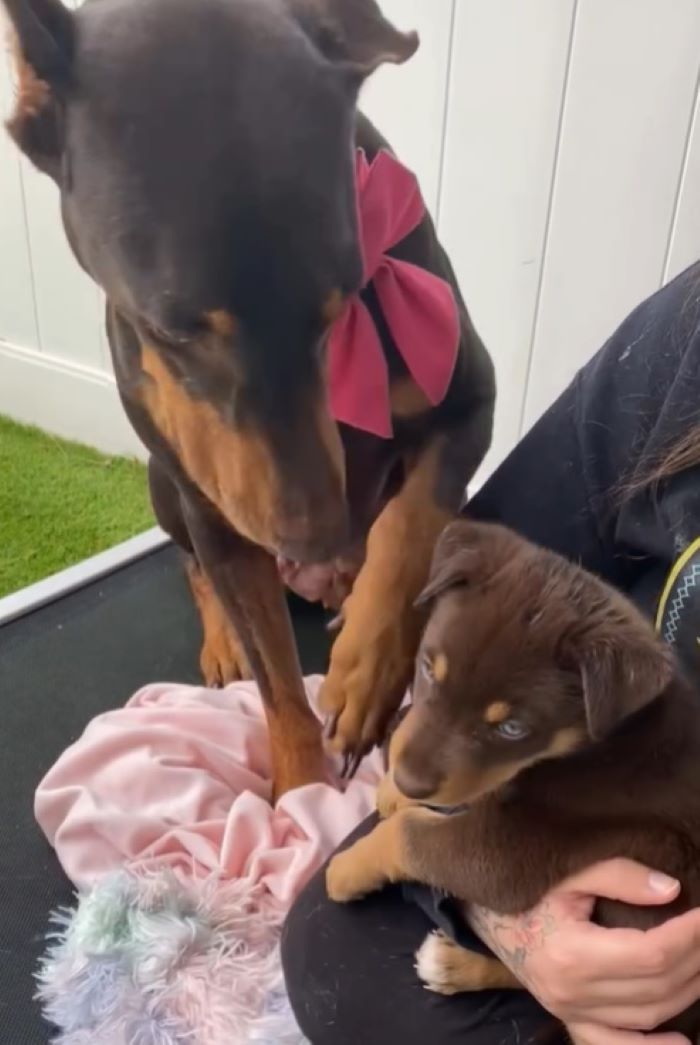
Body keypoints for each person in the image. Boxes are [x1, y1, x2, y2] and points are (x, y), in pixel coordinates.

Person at [281, 261, 700, 1045]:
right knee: (328, 940)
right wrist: (527, 938)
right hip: (573, 843)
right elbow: (494, 606)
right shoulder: (689, 339)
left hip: (660, 939)